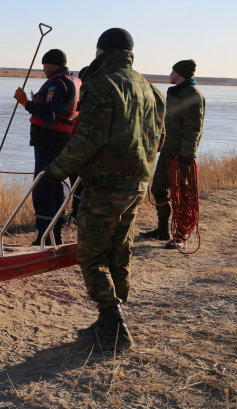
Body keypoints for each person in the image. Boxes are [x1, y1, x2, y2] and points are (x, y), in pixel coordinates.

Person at [43, 28, 166, 352]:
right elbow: (160, 138)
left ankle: (112, 322)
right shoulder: (149, 87)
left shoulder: (100, 83)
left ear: (100, 51)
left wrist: (56, 171)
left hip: (106, 185)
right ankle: (112, 316)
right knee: (119, 248)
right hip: (137, 183)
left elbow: (89, 137)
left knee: (92, 254)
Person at [13, 49, 81, 245]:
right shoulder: (74, 81)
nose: (43, 70)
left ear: (51, 64)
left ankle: (44, 236)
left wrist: (25, 102)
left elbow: (49, 113)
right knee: (54, 185)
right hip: (63, 139)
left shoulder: (57, 83)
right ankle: (55, 235)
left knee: (43, 187)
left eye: (44, 65)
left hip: (49, 141)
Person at [139, 59, 205, 248]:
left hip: (180, 155)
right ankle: (162, 230)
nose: (169, 74)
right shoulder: (175, 92)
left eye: (172, 71)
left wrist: (186, 155)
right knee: (158, 189)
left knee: (181, 195)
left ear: (180, 74)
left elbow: (194, 129)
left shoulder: (192, 95)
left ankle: (181, 235)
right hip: (167, 150)